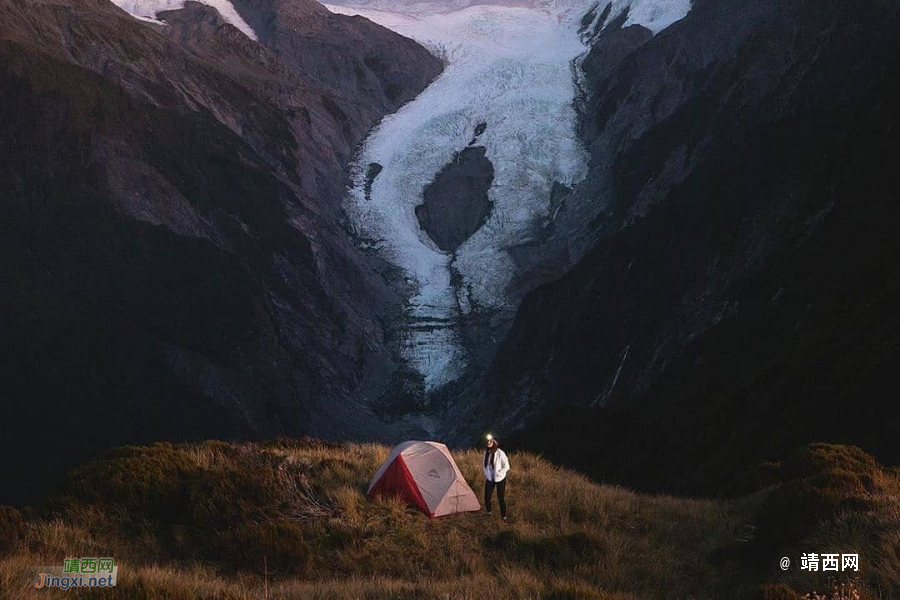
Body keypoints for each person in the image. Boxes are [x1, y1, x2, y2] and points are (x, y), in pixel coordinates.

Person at [483, 435, 510, 521]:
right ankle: (489, 513)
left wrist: (499, 473)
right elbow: (484, 465)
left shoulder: (500, 453)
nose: (488, 442)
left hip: (500, 479)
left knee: (500, 498)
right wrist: (487, 475)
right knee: (487, 497)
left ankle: (504, 517)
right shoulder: (486, 453)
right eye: (487, 441)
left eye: (490, 441)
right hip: (490, 478)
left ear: (494, 442)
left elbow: (507, 466)